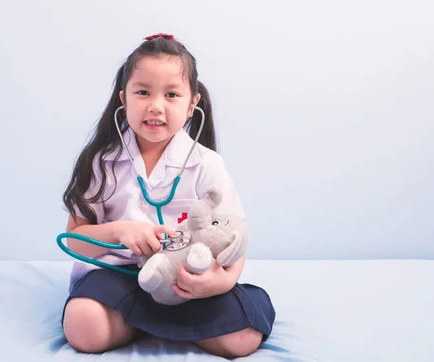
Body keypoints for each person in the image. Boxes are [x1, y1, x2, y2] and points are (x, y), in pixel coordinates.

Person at [60, 33, 276, 358]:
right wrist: (120, 231)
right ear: (124, 98)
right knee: (83, 327)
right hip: (119, 275)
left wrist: (221, 283)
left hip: (186, 280)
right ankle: (143, 319)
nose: (155, 106)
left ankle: (140, 321)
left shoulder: (207, 164)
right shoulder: (100, 162)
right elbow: (74, 240)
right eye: (143, 92)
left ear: (192, 105)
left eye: (172, 94)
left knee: (242, 340)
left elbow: (235, 239)